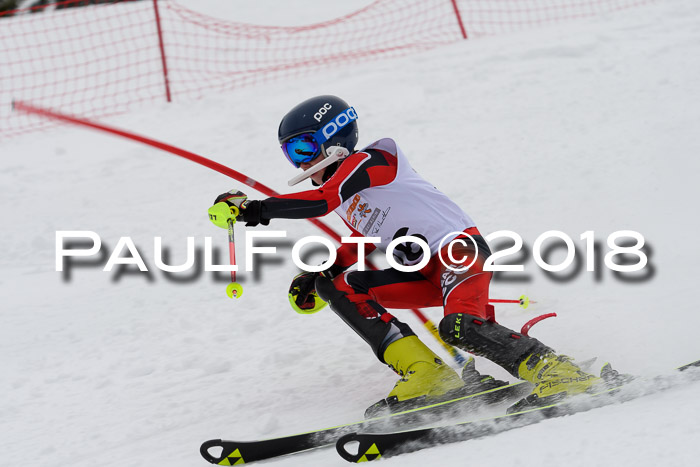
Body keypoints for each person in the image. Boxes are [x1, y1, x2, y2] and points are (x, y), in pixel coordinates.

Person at [208, 95, 600, 415]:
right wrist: (314, 275)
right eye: (291, 152)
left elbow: (322, 201)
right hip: (421, 272)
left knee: (459, 327)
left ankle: (560, 372)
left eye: (306, 146)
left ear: (334, 137)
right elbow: (363, 238)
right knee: (340, 285)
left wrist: (255, 209)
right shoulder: (346, 194)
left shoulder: (372, 161)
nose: (302, 160)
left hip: (458, 255)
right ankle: (428, 374)